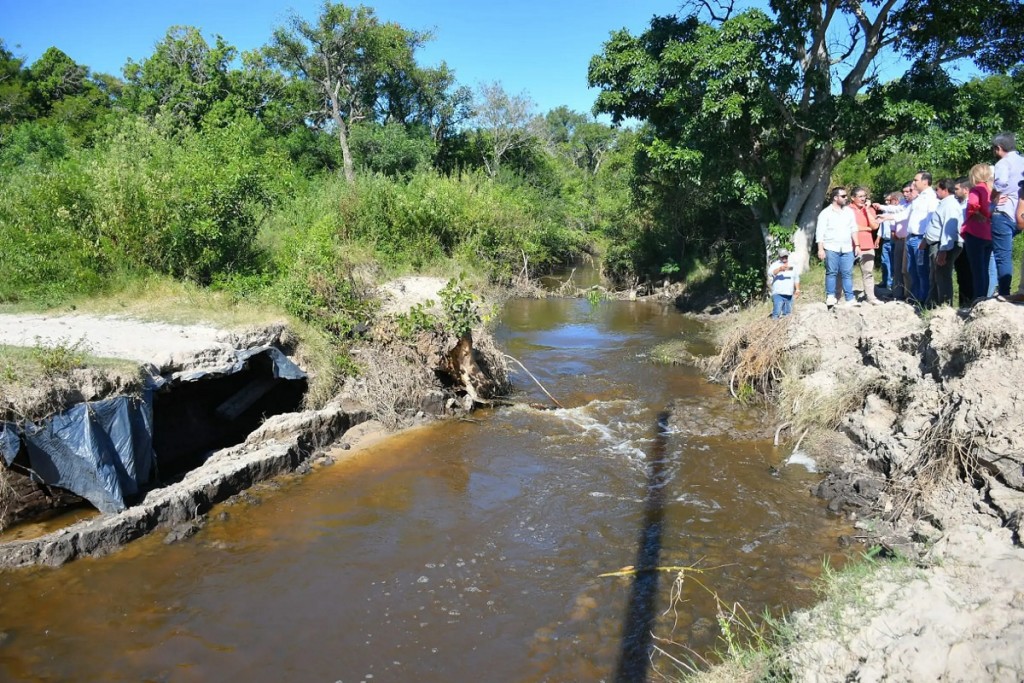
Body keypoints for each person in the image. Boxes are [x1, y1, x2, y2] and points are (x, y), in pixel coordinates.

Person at [877, 172, 937, 305]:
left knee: (921, 271)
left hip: (920, 239)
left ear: (925, 181)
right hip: (911, 238)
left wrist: (925, 239)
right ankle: (914, 298)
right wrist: (886, 217)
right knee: (911, 270)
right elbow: (905, 213)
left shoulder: (931, 198)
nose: (913, 183)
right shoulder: (919, 198)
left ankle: (923, 300)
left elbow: (931, 220)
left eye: (916, 180)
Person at [990, 132, 1024, 298]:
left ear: (998, 148)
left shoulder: (1003, 163)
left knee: (1002, 256)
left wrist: (993, 196)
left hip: (1004, 212)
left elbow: (1001, 183)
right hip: (1021, 213)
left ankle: (1004, 293)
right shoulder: (1022, 160)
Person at [816, 187, 859, 307]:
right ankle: (830, 296)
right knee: (831, 272)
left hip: (847, 248)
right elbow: (820, 232)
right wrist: (820, 249)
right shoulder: (825, 213)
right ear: (835, 198)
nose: (846, 198)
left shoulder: (849, 212)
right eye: (843, 196)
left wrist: (857, 245)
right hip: (831, 247)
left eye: (846, 196)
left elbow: (854, 229)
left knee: (847, 273)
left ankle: (850, 298)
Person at [924, 178, 963, 307]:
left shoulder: (950, 205)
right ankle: (933, 304)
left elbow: (949, 229)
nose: (936, 191)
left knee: (942, 276)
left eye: (937, 189)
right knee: (936, 276)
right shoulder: (944, 203)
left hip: (944, 245)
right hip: (938, 244)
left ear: (945, 190)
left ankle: (945, 306)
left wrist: (943, 250)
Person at [962, 163, 994, 303]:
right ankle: (984, 298)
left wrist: (976, 213)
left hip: (975, 232)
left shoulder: (976, 189)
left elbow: (972, 205)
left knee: (976, 270)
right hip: (989, 233)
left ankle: (978, 299)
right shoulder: (991, 190)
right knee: (985, 269)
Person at [850, 186, 882, 304]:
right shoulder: (847, 210)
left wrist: (867, 210)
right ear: (853, 198)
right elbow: (850, 226)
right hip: (850, 245)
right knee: (845, 272)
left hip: (867, 245)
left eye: (864, 196)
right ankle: (844, 297)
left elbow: (875, 226)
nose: (863, 199)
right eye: (860, 196)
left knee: (868, 272)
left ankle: (871, 297)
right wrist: (866, 228)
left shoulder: (870, 209)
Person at [953, 177, 973, 306]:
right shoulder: (959, 204)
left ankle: (969, 302)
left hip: (967, 242)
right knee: (961, 275)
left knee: (968, 274)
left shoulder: (969, 204)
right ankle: (963, 302)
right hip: (959, 242)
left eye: (957, 189)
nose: (954, 191)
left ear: (965, 189)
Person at [876, 191, 900, 294]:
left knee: (893, 263)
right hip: (885, 240)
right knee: (885, 262)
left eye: (889, 200)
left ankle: (891, 284)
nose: (887, 202)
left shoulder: (898, 212)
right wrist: (878, 238)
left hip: (894, 240)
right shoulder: (884, 212)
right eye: (886, 200)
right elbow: (882, 227)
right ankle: (885, 281)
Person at [768, 248, 799, 318]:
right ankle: (775, 323)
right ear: (779, 257)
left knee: (788, 313)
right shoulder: (775, 264)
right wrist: (779, 269)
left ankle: (786, 324)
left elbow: (796, 277)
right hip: (778, 293)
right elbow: (770, 273)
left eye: (786, 256)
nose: (784, 258)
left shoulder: (792, 265)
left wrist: (797, 289)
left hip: (789, 293)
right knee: (777, 312)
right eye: (782, 256)